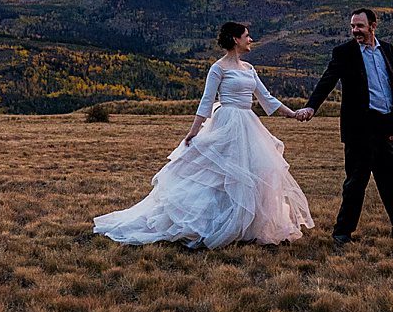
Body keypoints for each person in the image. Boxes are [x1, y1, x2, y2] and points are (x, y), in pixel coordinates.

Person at [93, 22, 314, 248]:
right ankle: (216, 223)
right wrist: (193, 132)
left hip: (249, 124)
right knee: (221, 175)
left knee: (255, 172)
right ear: (235, 40)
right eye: (247, 36)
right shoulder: (218, 68)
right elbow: (206, 101)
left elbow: (266, 98)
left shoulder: (249, 68)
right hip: (227, 123)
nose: (251, 40)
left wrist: (293, 114)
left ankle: (245, 225)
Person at [298, 7, 393, 244]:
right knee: (355, 183)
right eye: (352, 26)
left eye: (359, 26)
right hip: (359, 129)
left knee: (392, 183)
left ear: (373, 26)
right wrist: (311, 106)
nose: (355, 31)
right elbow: (327, 80)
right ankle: (342, 233)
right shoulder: (345, 53)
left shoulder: (387, 50)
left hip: (385, 128)